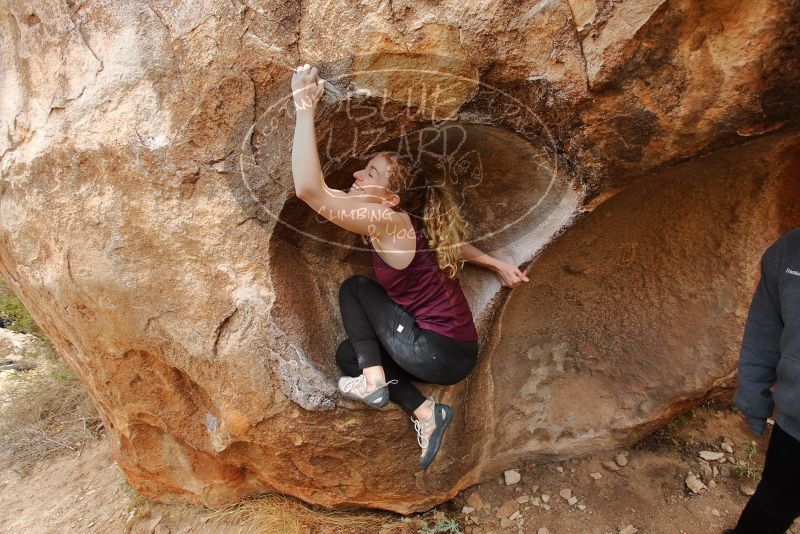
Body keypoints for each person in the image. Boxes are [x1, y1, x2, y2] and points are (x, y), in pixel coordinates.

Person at [290, 64, 529, 470]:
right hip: (445, 351)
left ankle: (375, 383)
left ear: (390, 200)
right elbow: (450, 245)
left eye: (372, 173)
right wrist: (495, 263)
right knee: (352, 356)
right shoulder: (408, 224)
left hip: (438, 349)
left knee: (356, 290)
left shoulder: (387, 222)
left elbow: (310, 189)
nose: (357, 175)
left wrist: (304, 108)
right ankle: (424, 412)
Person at [724, 228, 800, 534]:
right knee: (772, 505)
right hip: (796, 426)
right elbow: (763, 333)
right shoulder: (788, 252)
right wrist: (753, 401)